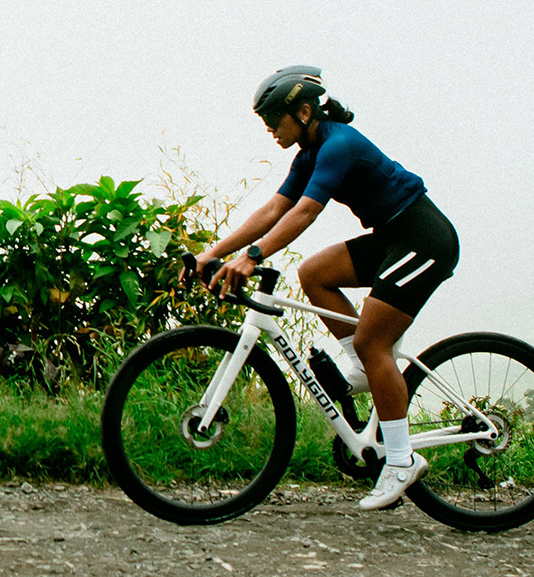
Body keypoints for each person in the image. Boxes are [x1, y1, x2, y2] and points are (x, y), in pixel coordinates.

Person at [191, 66, 459, 510]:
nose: (272, 131)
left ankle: (400, 460)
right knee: (314, 274)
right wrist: (211, 253)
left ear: (302, 111)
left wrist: (253, 257)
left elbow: (303, 214)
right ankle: (364, 362)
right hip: (392, 239)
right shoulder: (309, 153)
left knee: (376, 341)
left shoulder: (339, 145)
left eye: (274, 121)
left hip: (422, 239)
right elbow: (275, 209)